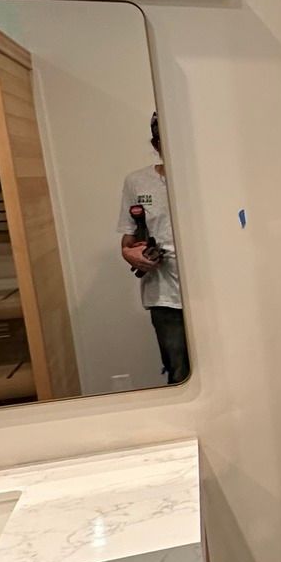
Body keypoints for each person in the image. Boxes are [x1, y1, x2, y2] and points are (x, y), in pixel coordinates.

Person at [119, 111, 189, 384]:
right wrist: (131, 254)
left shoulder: (209, 178)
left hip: (213, 296)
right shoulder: (137, 183)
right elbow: (127, 243)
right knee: (179, 374)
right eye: (163, 140)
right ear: (155, 143)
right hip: (164, 297)